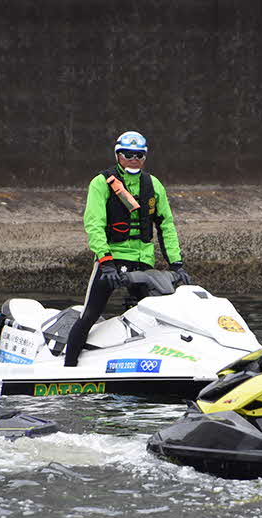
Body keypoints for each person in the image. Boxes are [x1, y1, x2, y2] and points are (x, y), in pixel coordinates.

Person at [64, 130, 190, 366]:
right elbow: (94, 225)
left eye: (139, 155)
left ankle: (163, 364)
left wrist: (177, 264)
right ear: (118, 155)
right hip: (111, 262)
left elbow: (166, 226)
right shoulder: (101, 183)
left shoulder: (154, 185)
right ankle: (67, 368)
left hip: (143, 263)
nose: (134, 159)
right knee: (90, 314)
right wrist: (106, 261)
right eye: (128, 154)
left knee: (158, 318)